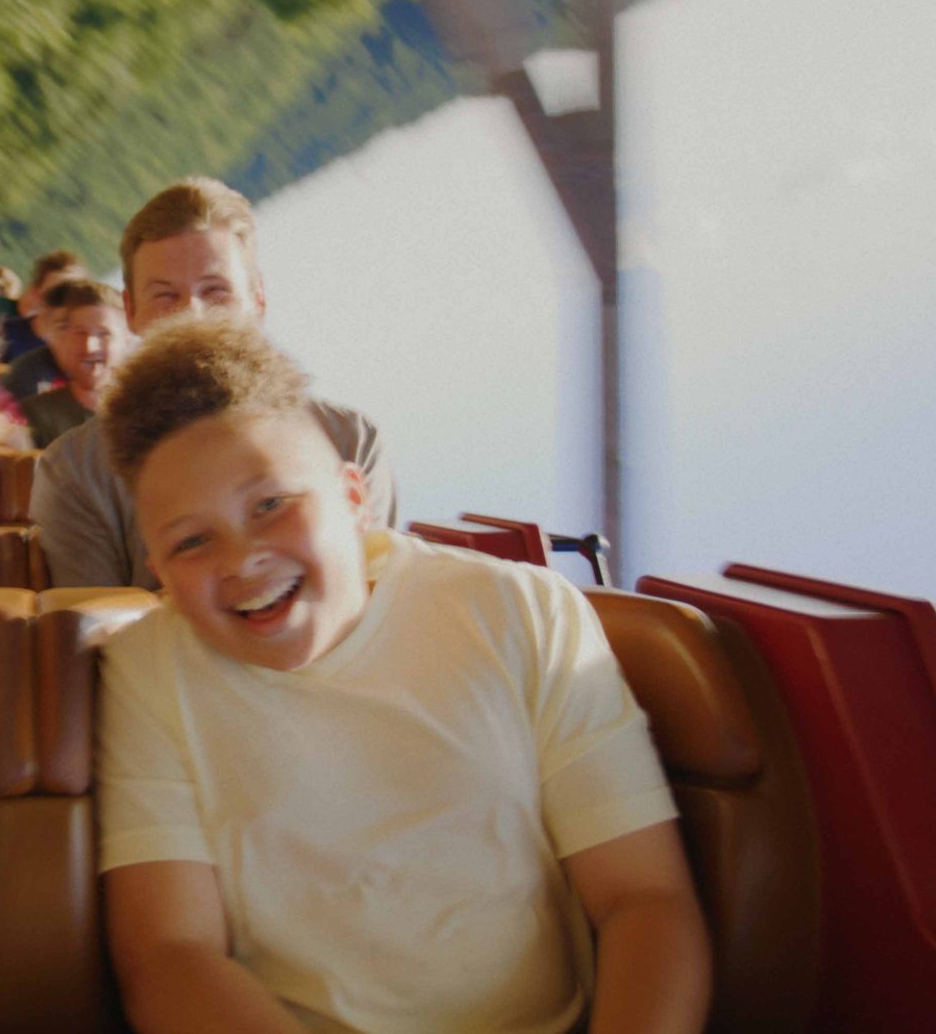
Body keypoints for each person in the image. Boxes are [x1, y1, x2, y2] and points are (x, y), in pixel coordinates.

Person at [95, 317, 711, 1034]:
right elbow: (170, 955)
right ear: (159, 570)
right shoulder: (146, 670)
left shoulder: (521, 609)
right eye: (192, 541)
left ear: (354, 498)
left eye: (271, 505)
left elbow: (645, 899)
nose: (242, 559)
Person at [31, 177, 398, 589]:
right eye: (165, 296)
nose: (194, 315)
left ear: (258, 298)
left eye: (216, 291)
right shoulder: (74, 472)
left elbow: (372, 604)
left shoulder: (351, 441)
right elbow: (97, 641)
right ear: (131, 311)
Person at [19, 279, 131, 449]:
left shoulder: (148, 413)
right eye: (80, 333)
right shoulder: (35, 415)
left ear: (126, 340)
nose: (90, 346)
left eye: (104, 334)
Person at [0, 248, 85, 363]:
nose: (64, 299)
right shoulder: (3, 333)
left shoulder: (71, 355)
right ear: (38, 292)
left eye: (73, 291)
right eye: (58, 292)